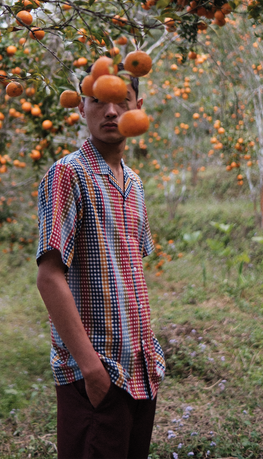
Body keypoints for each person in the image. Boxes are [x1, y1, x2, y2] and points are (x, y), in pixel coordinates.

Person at [36, 69, 165, 459]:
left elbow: (129, 270)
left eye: (122, 101)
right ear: (81, 109)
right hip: (96, 374)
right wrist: (92, 370)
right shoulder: (67, 174)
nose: (110, 111)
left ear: (137, 108)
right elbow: (49, 278)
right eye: (97, 101)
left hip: (140, 369)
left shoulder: (135, 183)